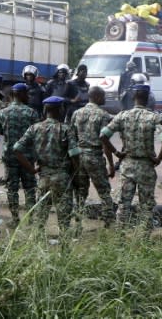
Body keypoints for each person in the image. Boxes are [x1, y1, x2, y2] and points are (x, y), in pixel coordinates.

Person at [100, 84, 162, 231]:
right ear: (148, 98)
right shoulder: (153, 117)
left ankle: (120, 239)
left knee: (124, 204)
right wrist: (159, 159)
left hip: (127, 165)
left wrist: (117, 153)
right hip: (146, 167)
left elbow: (103, 135)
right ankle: (144, 238)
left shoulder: (123, 116)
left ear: (133, 97)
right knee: (146, 206)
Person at [14, 96, 78, 237]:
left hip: (43, 177)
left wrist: (31, 169)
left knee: (40, 218)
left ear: (45, 109)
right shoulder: (67, 130)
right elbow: (74, 155)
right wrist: (76, 175)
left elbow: (16, 149)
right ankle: (64, 251)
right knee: (64, 220)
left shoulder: (34, 128)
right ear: (60, 109)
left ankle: (36, 249)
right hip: (62, 178)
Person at [69, 86, 116, 227]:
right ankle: (109, 223)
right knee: (104, 192)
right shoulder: (103, 115)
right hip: (95, 157)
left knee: (80, 193)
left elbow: (71, 138)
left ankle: (77, 223)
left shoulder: (77, 113)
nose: (105, 99)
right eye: (103, 96)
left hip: (79, 157)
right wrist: (111, 165)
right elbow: (105, 142)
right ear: (96, 97)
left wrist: (73, 160)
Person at [0, 83, 41, 225]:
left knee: (12, 189)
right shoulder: (32, 113)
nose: (28, 96)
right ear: (20, 94)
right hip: (28, 157)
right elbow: (37, 135)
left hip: (10, 156)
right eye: (26, 93)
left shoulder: (3, 113)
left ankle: (15, 218)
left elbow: (0, 130)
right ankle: (30, 219)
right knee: (30, 188)